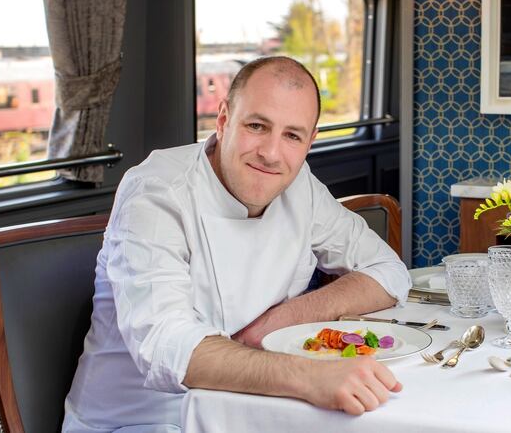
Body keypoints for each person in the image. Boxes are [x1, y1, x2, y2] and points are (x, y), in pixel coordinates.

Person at [63, 56, 411, 432]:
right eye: (258, 126)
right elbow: (167, 347)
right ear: (224, 119)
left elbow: (388, 271)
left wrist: (276, 323)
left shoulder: (301, 186)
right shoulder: (157, 190)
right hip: (147, 421)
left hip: (254, 413)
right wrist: (309, 376)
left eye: (292, 135)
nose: (271, 153)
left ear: (309, 142)